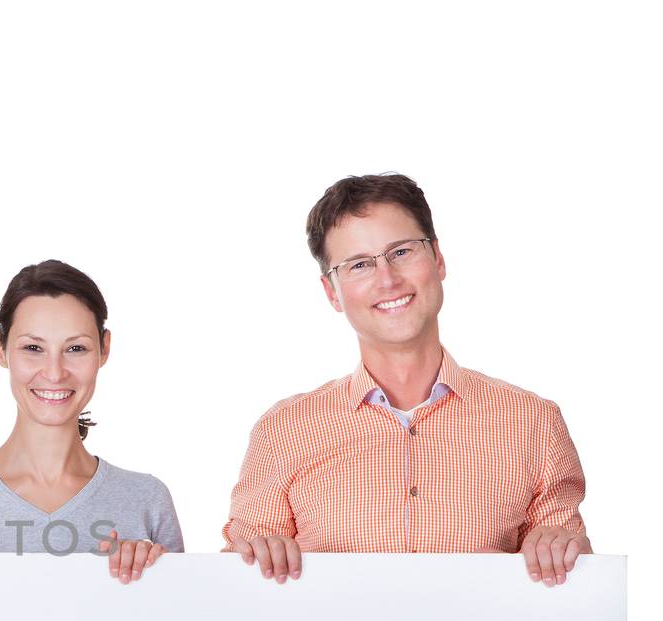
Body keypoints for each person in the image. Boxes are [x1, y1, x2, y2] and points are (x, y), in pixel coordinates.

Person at [223, 174, 590, 587]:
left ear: (438, 259)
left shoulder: (533, 423)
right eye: (359, 264)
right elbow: (238, 583)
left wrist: (560, 549)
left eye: (401, 251)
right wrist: (255, 558)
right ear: (332, 292)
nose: (387, 279)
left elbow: (576, 591)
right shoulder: (285, 430)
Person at [0, 260, 183, 584]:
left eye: (76, 348)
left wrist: (157, 576)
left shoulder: (147, 501)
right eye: (33, 348)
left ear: (104, 349)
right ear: (0, 349)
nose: (55, 372)